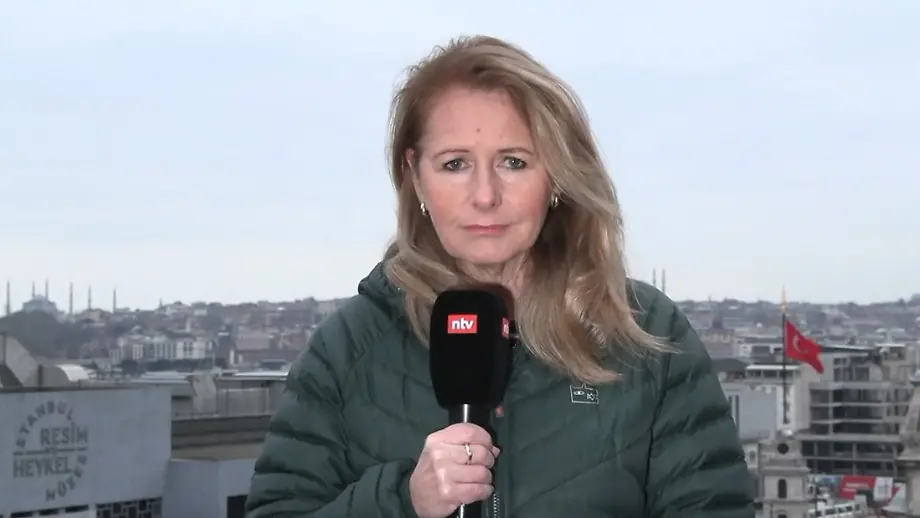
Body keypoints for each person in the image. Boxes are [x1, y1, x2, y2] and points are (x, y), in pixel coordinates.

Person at [245, 35, 753, 518]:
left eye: (513, 162)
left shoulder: (645, 336)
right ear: (415, 175)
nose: (485, 196)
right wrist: (403, 501)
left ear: (555, 176)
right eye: (455, 164)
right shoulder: (349, 350)